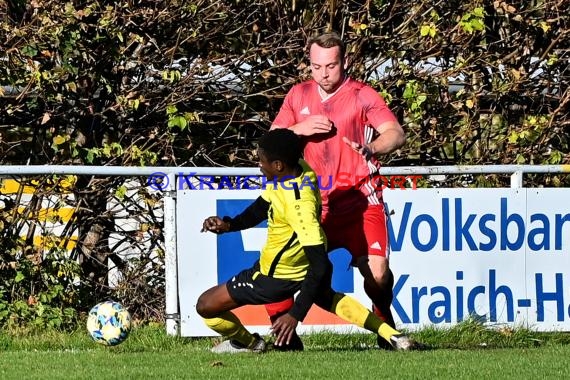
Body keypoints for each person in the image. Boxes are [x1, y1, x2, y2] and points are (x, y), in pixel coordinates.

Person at [196, 128, 415, 353]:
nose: (259, 165)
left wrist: (295, 315)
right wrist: (229, 224)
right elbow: (263, 206)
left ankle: (250, 343)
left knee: (205, 305)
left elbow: (319, 264)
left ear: (278, 165)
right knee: (330, 300)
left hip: (276, 278)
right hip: (301, 268)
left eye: (262, 161)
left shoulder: (298, 207)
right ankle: (393, 336)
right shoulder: (301, 172)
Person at [267, 32, 406, 351]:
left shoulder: (362, 95)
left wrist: (371, 147)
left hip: (360, 202)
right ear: (309, 64)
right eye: (316, 66)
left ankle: (383, 319)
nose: (324, 74)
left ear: (344, 62)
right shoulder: (298, 95)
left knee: (379, 276)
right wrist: (297, 130)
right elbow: (272, 141)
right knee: (281, 269)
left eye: (331, 66)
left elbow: (395, 133)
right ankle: (284, 339)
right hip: (314, 205)